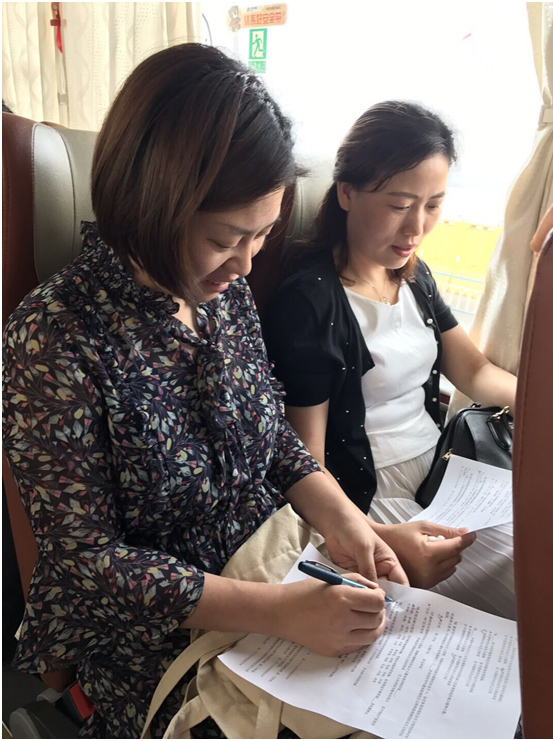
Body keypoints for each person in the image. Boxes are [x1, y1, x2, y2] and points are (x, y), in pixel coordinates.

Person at [2, 47, 408, 740]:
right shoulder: (54, 334)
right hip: (158, 640)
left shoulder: (223, 295)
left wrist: (346, 521)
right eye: (226, 239)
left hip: (276, 565)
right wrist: (281, 613)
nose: (246, 263)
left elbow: (271, 437)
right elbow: (86, 562)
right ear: (152, 206)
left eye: (262, 236)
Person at [265, 101, 517, 618]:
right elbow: (306, 459)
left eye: (433, 205)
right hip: (371, 498)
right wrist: (378, 535)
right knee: (534, 577)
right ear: (346, 192)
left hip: (447, 469)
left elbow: (473, 372)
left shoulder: (415, 277)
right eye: (400, 204)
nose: (416, 227)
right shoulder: (311, 302)